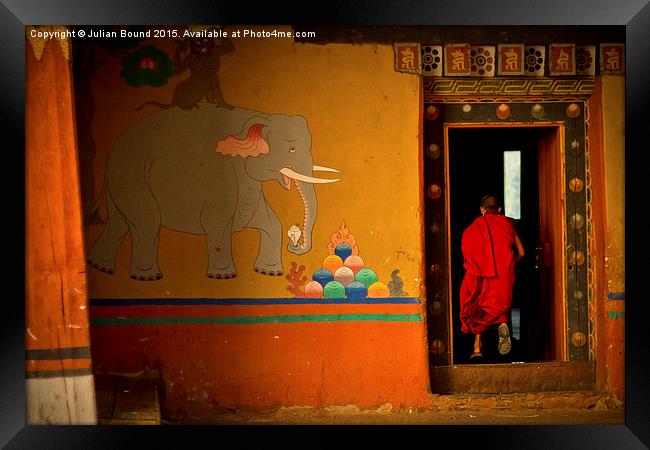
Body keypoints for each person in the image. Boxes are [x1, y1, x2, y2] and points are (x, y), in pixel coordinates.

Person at [459, 194, 525, 360]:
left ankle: (476, 347)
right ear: (500, 210)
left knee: (479, 305)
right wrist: (510, 264)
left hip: (483, 275)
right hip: (504, 274)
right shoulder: (508, 224)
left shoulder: (475, 227)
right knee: (500, 306)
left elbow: (468, 251)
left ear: (482, 210)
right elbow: (522, 252)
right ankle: (503, 324)